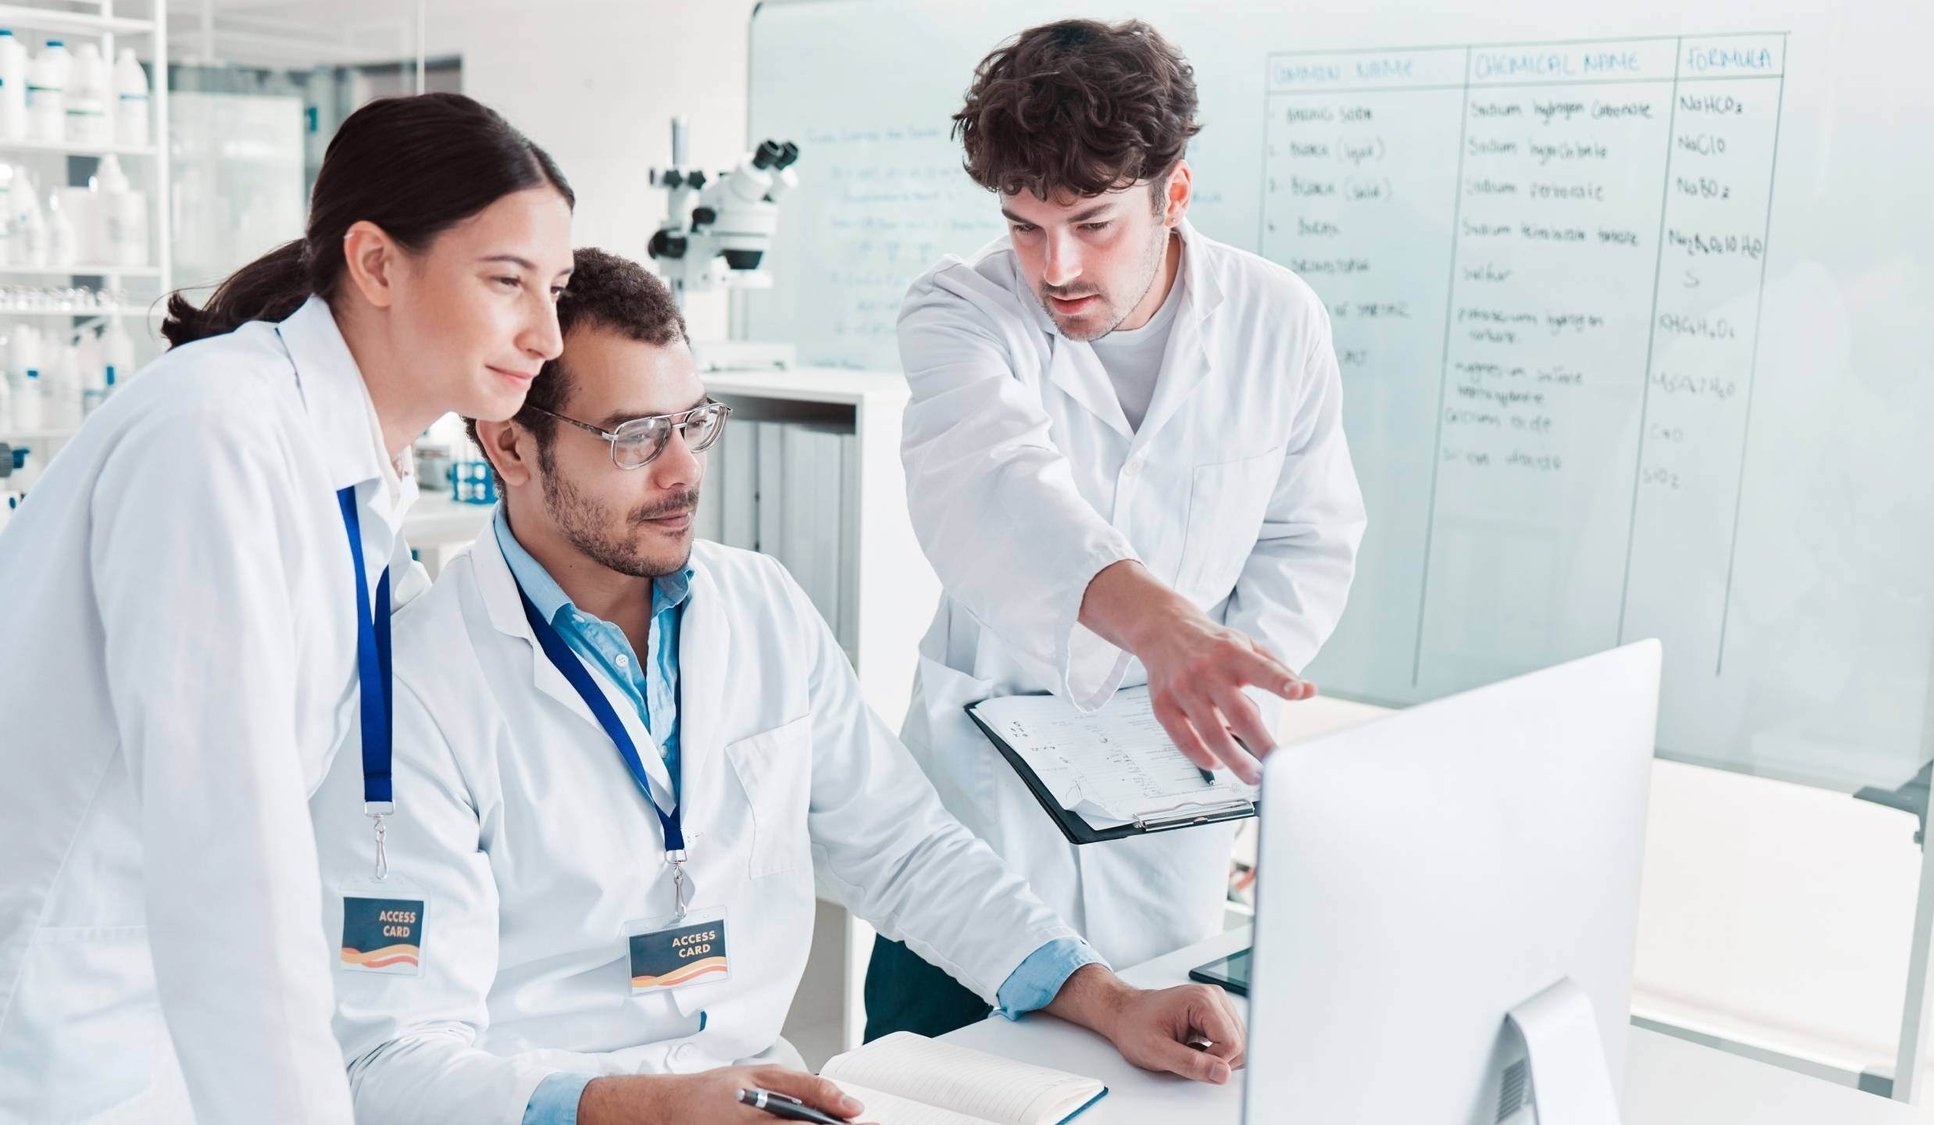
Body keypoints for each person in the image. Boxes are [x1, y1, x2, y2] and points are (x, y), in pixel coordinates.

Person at [308, 249, 1246, 1125]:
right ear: (510, 447)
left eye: (695, 423)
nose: (684, 472)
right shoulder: (414, 683)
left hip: (768, 1099)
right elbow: (391, 1059)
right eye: (637, 436)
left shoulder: (759, 607)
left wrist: (1109, 997)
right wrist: (657, 1108)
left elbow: (904, 851)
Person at [0, 92, 573, 1123]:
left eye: (557, 288)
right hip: (64, 1023)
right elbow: (230, 853)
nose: (545, 332)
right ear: (376, 263)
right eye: (506, 281)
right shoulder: (217, 432)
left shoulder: (354, 469)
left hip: (156, 1015)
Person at [868, 18, 1368, 1039]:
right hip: (982, 823)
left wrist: (1215, 675)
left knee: (1141, 1082)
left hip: (1164, 820)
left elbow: (1304, 537)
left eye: (1092, 224)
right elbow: (993, 490)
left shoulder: (1278, 320)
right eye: (1023, 225)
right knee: (920, 1084)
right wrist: (1162, 631)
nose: (1054, 267)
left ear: (1171, 193)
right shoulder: (958, 310)